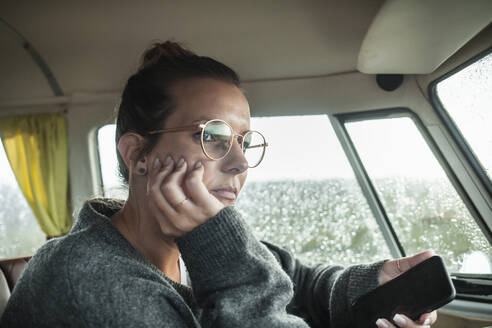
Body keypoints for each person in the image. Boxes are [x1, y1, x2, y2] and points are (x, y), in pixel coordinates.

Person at [1, 41, 438, 328]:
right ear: (137, 155)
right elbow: (253, 282)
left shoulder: (199, 240)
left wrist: (375, 282)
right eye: (211, 136)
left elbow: (296, 280)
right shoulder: (91, 280)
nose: (240, 162)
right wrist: (228, 259)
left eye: (245, 141)